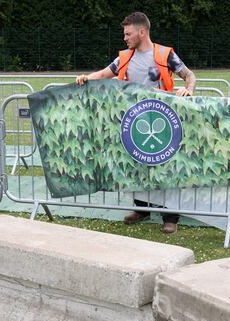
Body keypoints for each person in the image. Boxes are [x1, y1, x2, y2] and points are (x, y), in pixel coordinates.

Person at [76, 11, 196, 234]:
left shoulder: (165, 54)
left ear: (142, 32)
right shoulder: (124, 57)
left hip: (163, 123)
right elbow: (103, 74)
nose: (125, 37)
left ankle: (170, 217)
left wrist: (187, 90)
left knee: (165, 168)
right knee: (136, 165)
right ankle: (141, 209)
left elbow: (189, 76)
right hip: (134, 123)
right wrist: (86, 77)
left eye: (128, 33)